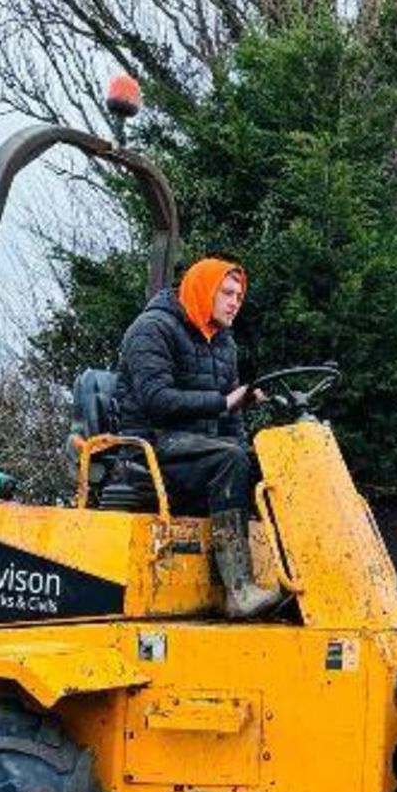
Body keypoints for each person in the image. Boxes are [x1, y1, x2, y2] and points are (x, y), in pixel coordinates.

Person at [114, 256, 282, 619]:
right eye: (227, 292)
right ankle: (239, 590)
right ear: (204, 289)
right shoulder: (152, 329)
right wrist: (223, 402)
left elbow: (229, 420)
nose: (235, 301)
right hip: (151, 446)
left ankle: (279, 576)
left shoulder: (223, 343)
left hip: (198, 449)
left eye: (239, 294)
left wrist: (244, 442)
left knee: (256, 459)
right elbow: (157, 402)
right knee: (229, 459)